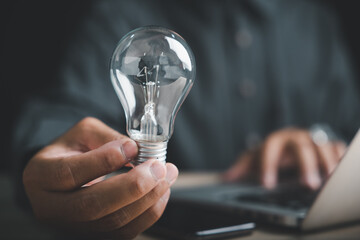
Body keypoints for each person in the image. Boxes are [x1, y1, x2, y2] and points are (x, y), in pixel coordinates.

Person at [11, 0, 359, 239]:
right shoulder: (121, 15)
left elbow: (350, 130)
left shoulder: (312, 22)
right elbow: (62, 115)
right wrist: (50, 160)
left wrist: (321, 140)